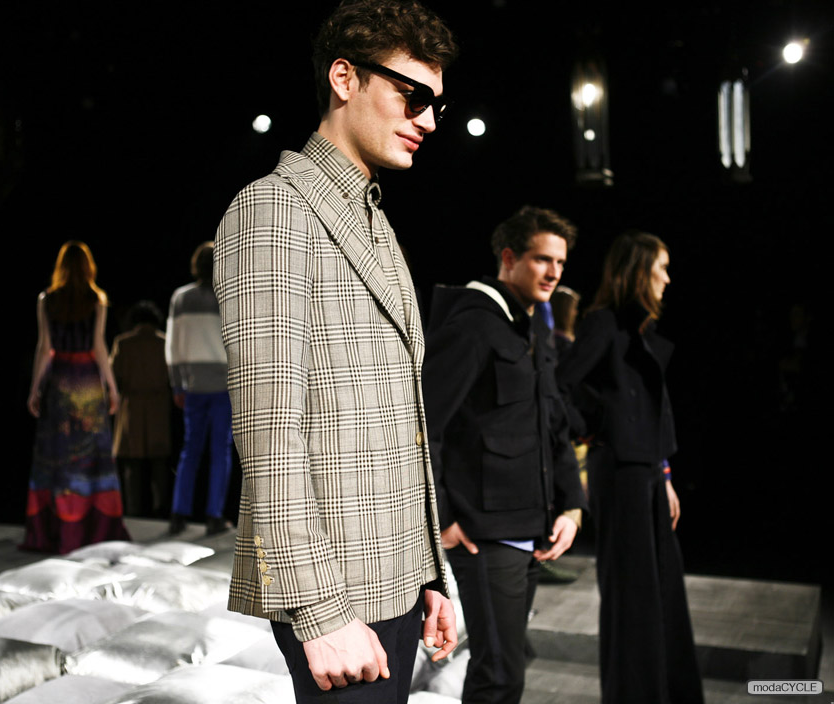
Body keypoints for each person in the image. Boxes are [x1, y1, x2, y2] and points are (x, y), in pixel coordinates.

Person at [212, 1, 459, 700]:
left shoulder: (371, 217)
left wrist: (427, 574)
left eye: (436, 104)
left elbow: (398, 422)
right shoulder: (272, 210)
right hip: (335, 592)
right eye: (412, 96)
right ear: (344, 78)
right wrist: (319, 612)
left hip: (393, 575)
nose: (428, 120)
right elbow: (269, 433)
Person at [423, 206, 587, 704]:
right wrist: (442, 519)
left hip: (530, 527)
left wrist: (572, 505)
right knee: (499, 674)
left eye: (560, 262)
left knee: (506, 670)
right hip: (484, 536)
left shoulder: (530, 327)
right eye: (542, 259)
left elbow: (552, 422)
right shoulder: (474, 326)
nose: (554, 272)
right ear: (509, 258)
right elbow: (423, 427)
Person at [556, 231, 704, 704]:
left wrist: (665, 473)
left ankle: (665, 692)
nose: (667, 279)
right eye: (661, 268)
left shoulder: (638, 330)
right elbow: (560, 387)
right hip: (619, 475)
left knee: (662, 590)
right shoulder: (603, 322)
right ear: (640, 271)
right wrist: (594, 430)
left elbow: (655, 409)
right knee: (632, 595)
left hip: (648, 474)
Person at [23, 241, 130, 553]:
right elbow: (98, 347)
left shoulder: (47, 299)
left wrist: (35, 387)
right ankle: (91, 529)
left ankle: (58, 530)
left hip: (59, 381)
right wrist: (112, 387)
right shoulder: (96, 299)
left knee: (59, 455)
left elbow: (45, 348)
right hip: (86, 383)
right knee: (88, 457)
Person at [165, 242, 232, 536]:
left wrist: (176, 383)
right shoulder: (229, 295)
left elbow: (173, 344)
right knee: (219, 451)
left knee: (190, 450)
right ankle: (213, 516)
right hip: (224, 385)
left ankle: (179, 514)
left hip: (193, 385)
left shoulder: (181, 297)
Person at [110, 300, 173, 518]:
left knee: (132, 465)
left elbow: (113, 376)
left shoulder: (123, 343)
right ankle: (161, 510)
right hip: (158, 407)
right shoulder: (165, 342)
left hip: (132, 408)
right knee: (160, 464)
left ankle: (133, 513)